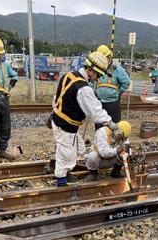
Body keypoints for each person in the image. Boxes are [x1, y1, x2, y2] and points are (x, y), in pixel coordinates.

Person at [51, 51, 123, 187]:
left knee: (78, 148)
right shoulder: (83, 88)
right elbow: (96, 112)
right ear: (90, 70)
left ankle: (65, 173)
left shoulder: (69, 75)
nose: (97, 79)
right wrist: (113, 126)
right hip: (66, 125)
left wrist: (53, 113)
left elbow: (57, 97)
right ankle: (61, 182)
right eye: (98, 75)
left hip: (58, 120)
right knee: (66, 153)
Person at [94, 45, 130, 123]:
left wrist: (118, 92)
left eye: (104, 58)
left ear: (109, 57)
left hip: (113, 104)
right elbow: (91, 83)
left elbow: (126, 82)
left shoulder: (117, 69)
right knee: (100, 128)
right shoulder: (96, 70)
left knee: (114, 128)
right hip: (100, 104)